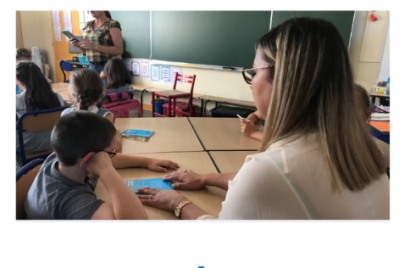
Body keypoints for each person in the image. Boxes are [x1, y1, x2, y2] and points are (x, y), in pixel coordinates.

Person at [135, 17, 389, 220]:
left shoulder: (271, 170)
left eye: (254, 72)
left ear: (285, 81)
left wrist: (178, 203)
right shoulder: (369, 149)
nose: (251, 82)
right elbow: (265, 183)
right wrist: (204, 178)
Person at [25, 111, 179, 219]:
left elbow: (105, 159)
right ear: (89, 159)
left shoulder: (64, 155)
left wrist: (146, 161)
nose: (113, 156)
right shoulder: (71, 202)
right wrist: (106, 170)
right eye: (110, 153)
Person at [16, 62, 64, 155]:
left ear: (21, 82)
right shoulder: (57, 97)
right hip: (54, 142)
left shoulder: (17, 101)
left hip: (26, 146)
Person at [69, 11, 123, 75]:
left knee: (105, 85)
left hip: (106, 67)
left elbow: (119, 50)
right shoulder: (88, 25)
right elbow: (87, 51)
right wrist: (78, 46)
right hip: (91, 66)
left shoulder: (112, 24)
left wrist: (94, 46)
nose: (91, 10)